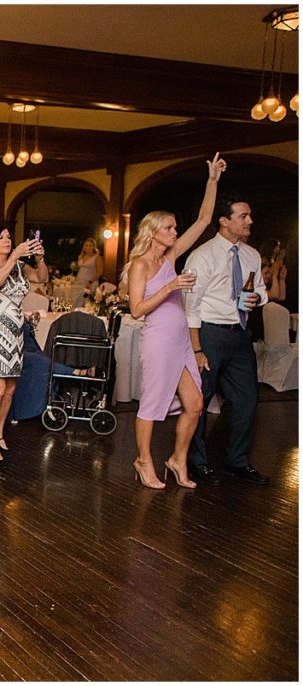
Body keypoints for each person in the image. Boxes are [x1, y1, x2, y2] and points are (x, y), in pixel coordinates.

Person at [123, 152, 225, 489]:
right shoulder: (140, 264)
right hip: (159, 340)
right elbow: (137, 310)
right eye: (169, 227)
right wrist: (170, 285)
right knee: (151, 405)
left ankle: (177, 459)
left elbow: (204, 219)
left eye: (174, 228)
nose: (174, 231)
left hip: (181, 342)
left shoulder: (170, 256)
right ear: (154, 232)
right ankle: (143, 460)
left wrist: (212, 180)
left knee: (195, 404)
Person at [184, 189, 270, 486]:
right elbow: (191, 306)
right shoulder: (203, 256)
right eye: (243, 216)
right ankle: (196, 463)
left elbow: (262, 290)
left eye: (249, 215)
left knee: (248, 399)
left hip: (241, 334)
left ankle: (237, 461)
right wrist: (196, 349)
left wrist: (256, 298)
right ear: (224, 220)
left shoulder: (251, 254)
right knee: (201, 399)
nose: (249, 220)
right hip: (210, 334)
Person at [0, 224, 48, 462]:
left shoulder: (20, 267)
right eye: (2, 237)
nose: (7, 240)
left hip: (16, 333)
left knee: (11, 389)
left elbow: (41, 278)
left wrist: (39, 258)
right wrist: (15, 255)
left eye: (9, 237)